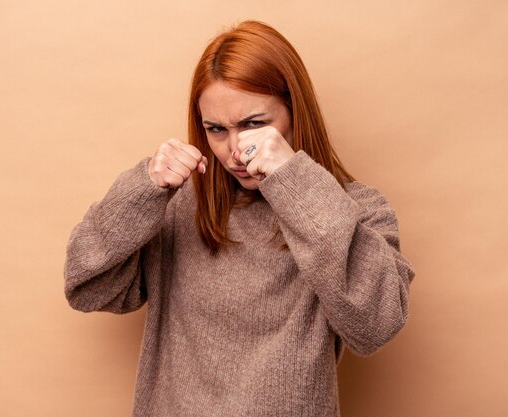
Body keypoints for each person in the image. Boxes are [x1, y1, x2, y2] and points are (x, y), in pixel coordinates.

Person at [64, 20, 415, 417]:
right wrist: (141, 191)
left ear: (295, 111)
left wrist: (294, 182)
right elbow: (86, 286)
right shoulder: (182, 205)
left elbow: (376, 325)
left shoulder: (354, 208)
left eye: (253, 125)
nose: (235, 151)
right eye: (216, 130)